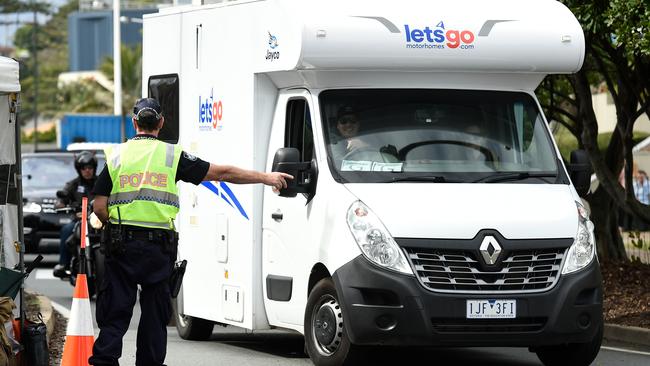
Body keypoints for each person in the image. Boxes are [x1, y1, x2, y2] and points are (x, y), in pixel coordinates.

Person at [88, 98, 292, 366]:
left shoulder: (117, 155)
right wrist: (266, 178)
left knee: (115, 311)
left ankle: (104, 362)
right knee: (154, 314)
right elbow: (223, 173)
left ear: (134, 122)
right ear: (161, 123)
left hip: (121, 245)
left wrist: (114, 226)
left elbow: (99, 205)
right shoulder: (173, 156)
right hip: (158, 249)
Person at [52, 151, 98, 278]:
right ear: (79, 169)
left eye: (90, 168)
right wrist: (61, 204)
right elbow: (61, 200)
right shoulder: (73, 184)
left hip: (98, 219)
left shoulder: (101, 182)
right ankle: (64, 265)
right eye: (84, 168)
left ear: (94, 168)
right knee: (66, 229)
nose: (87, 171)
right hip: (78, 220)